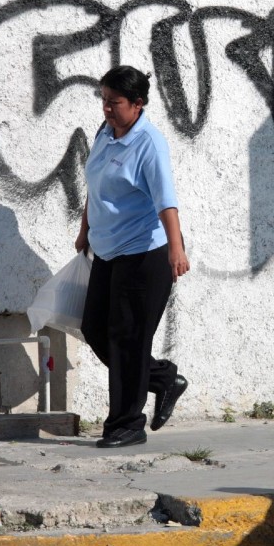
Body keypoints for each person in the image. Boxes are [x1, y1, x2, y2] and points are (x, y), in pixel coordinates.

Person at [75, 65, 190, 448]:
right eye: (104, 100)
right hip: (108, 252)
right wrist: (85, 229)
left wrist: (176, 248)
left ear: (137, 104)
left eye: (115, 102)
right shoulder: (105, 133)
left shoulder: (149, 144)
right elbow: (95, 185)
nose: (107, 108)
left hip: (144, 255)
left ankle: (127, 425)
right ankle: (162, 378)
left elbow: (166, 200)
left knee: (128, 339)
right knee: (95, 328)